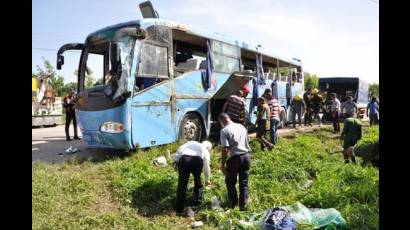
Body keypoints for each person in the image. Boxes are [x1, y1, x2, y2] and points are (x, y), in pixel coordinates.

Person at [219, 113, 252, 211]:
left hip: (234, 159)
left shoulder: (224, 130)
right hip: (246, 157)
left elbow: (225, 148)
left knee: (230, 182)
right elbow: (247, 140)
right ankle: (243, 206)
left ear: (222, 121)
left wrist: (223, 164)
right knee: (244, 182)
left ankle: (233, 204)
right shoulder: (241, 126)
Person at [173, 140, 213, 213]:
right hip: (196, 161)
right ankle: (198, 202)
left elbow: (179, 150)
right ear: (208, 148)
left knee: (182, 183)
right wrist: (207, 180)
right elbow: (207, 168)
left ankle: (179, 207)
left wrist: (176, 161)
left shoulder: (191, 143)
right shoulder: (205, 150)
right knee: (197, 180)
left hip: (184, 159)